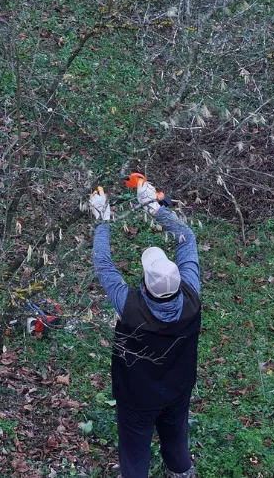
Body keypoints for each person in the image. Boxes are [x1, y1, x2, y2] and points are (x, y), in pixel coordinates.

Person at [88, 177, 201, 478]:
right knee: (176, 436)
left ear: (146, 287)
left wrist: (102, 221)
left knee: (135, 450)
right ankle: (182, 473)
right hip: (178, 389)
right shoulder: (191, 292)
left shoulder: (129, 305)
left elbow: (103, 265)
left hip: (136, 397)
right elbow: (187, 238)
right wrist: (154, 207)